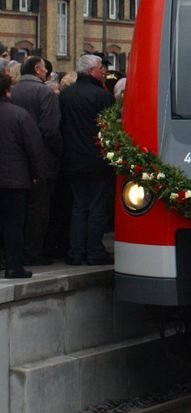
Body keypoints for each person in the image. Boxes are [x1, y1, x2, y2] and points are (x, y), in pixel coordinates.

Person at [59, 53, 115, 266]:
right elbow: (110, 130)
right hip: (97, 160)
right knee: (96, 207)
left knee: (79, 206)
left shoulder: (66, 96)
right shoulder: (102, 97)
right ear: (92, 71)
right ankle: (94, 251)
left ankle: (75, 251)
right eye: (101, 68)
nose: (103, 72)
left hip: (72, 158)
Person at [9, 56, 61, 265]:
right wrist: (58, 151)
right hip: (42, 158)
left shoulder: (14, 91)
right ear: (38, 70)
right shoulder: (44, 92)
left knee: (17, 210)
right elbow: (50, 128)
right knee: (39, 209)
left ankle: (17, 250)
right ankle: (33, 251)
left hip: (16, 159)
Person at [0, 73, 46, 279]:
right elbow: (34, 148)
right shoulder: (19, 115)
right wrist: (37, 174)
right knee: (14, 224)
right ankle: (13, 266)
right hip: (15, 179)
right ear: (8, 90)